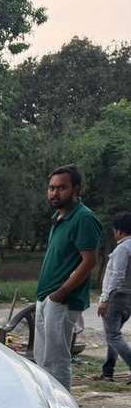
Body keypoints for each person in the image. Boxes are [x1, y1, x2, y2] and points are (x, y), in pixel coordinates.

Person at [34, 166, 102, 390]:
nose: (55, 193)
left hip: (62, 300)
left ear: (76, 189)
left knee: (57, 360)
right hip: (46, 297)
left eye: (62, 188)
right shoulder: (59, 216)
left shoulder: (84, 218)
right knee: (42, 360)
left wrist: (61, 293)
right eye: (52, 188)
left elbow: (89, 261)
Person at [97, 211, 131, 382]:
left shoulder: (122, 249)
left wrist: (105, 299)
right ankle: (108, 371)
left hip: (117, 297)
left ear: (119, 231)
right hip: (128, 298)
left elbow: (116, 276)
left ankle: (110, 369)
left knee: (113, 336)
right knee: (113, 334)